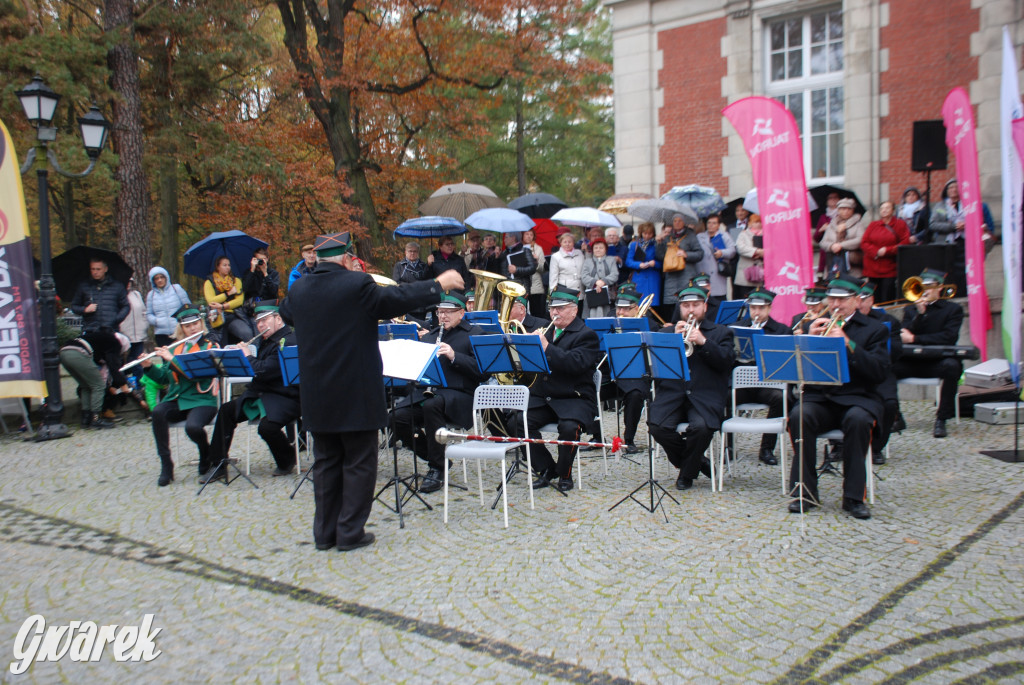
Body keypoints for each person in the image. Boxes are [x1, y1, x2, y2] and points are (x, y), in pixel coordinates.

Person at [280, 232, 463, 552]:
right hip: (355, 393)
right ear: (348, 259)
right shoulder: (357, 285)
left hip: (316, 395)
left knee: (326, 463)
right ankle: (349, 532)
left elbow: (285, 313)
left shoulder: (298, 289)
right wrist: (439, 284)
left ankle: (324, 534)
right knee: (359, 462)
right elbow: (398, 298)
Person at [787, 278, 890, 520]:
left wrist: (848, 343)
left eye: (842, 299)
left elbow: (878, 372)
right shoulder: (815, 324)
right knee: (799, 415)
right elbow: (797, 374)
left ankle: (853, 497)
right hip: (821, 399)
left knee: (858, 420)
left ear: (856, 300)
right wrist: (808, 342)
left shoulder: (874, 329)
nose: (835, 304)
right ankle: (805, 492)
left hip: (857, 398)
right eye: (831, 299)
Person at [389, 290, 486, 493]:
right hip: (428, 392)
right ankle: (438, 458)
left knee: (433, 405)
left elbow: (481, 372)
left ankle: (436, 469)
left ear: (461, 313)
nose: (442, 316)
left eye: (448, 312)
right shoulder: (430, 337)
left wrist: (454, 356)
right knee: (396, 417)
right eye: (440, 312)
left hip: (459, 396)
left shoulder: (475, 333)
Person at [648, 286, 735, 490]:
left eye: (695, 305)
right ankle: (698, 462)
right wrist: (672, 340)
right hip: (672, 394)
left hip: (705, 395)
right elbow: (655, 368)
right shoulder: (666, 332)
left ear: (705, 306)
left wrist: (704, 342)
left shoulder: (721, 332)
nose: (690, 310)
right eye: (686, 306)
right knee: (657, 427)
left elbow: (727, 362)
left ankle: (686, 474)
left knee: (702, 428)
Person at [205, 301, 301, 482]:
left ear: (278, 319)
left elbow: (264, 370)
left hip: (286, 396)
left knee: (267, 427)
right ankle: (217, 464)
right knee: (226, 411)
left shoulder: (288, 341)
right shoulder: (266, 341)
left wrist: (247, 356)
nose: (261, 325)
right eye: (258, 322)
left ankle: (287, 458)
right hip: (262, 394)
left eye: (265, 320)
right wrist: (238, 359)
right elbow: (257, 372)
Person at [522, 286, 602, 493]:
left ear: (574, 310)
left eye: (560, 308)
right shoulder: (546, 331)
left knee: (568, 428)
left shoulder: (586, 334)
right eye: (552, 309)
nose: (554, 313)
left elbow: (575, 364)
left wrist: (547, 347)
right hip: (545, 396)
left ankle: (565, 473)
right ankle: (547, 469)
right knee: (516, 421)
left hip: (573, 396)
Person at [140, 305, 220, 487]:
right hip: (178, 399)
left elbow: (196, 373)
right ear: (181, 329)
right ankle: (166, 464)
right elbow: (163, 379)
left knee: (193, 428)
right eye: (188, 325)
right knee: (159, 412)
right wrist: (147, 366)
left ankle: (204, 451)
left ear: (201, 324)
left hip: (202, 399)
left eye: (196, 323)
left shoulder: (209, 346)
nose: (193, 328)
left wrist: (170, 359)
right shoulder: (176, 348)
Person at [892, 269, 964, 438]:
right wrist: (920, 315)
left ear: (940, 288)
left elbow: (948, 337)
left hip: (937, 361)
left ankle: (942, 418)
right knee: (886, 367)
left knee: (952, 367)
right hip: (912, 361)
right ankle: (896, 416)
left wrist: (916, 338)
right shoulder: (911, 309)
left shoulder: (953, 309)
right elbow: (904, 334)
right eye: (922, 286)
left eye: (930, 287)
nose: (925, 291)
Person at [731, 287, 789, 465]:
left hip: (766, 385)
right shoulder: (736, 328)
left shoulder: (781, 331)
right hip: (742, 386)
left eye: (761, 308)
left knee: (779, 398)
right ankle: (729, 447)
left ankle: (766, 449)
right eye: (753, 308)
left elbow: (784, 364)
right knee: (722, 396)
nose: (756, 312)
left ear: (770, 308)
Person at [610, 284, 658, 454]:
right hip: (613, 372)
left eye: (626, 309)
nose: (620, 313)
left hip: (637, 375)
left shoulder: (649, 326)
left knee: (636, 394)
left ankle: (628, 438)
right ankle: (594, 434)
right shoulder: (610, 323)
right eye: (618, 309)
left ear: (637, 308)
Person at [857, 282, 902, 463]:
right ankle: (839, 446)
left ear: (871, 300)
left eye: (864, 300)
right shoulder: (839, 322)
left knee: (890, 403)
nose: (860, 305)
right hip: (853, 371)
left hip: (879, 370)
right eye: (857, 300)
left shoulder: (888, 321)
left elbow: (897, 352)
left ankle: (876, 447)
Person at [59, 329, 130, 429]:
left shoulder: (102, 337)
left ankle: (86, 419)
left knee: (86, 386)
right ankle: (95, 419)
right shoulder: (115, 342)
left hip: (64, 352)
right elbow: (113, 366)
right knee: (98, 385)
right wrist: (123, 383)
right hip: (79, 353)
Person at [860, 201, 911, 304]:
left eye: (887, 208)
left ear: (893, 210)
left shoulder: (900, 224)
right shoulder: (873, 225)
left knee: (887, 296)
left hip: (889, 268)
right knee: (874, 297)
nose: (884, 210)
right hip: (873, 266)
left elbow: (905, 242)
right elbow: (864, 242)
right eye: (882, 208)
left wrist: (888, 250)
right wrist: (876, 252)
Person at [656, 213, 703, 315]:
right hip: (671, 276)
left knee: (685, 301)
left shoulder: (691, 235)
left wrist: (686, 254)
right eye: (675, 221)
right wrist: (659, 243)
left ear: (684, 222)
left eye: (679, 221)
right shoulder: (668, 237)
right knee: (671, 306)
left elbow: (700, 254)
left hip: (686, 274)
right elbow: (660, 256)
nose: (677, 223)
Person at [69, 258, 130, 333]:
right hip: (90, 329)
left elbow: (126, 306)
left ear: (105, 269)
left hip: (110, 330)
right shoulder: (84, 286)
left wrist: (116, 319)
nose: (95, 272)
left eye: (98, 269)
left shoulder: (117, 286)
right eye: (93, 269)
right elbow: (74, 306)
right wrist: (85, 309)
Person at [204, 256, 253, 344]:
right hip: (216, 318)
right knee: (220, 342)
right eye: (224, 265)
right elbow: (211, 301)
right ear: (218, 267)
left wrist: (223, 306)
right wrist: (228, 294)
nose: (228, 267)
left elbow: (239, 301)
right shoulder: (209, 282)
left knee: (247, 333)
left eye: (229, 265)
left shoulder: (235, 281)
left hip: (233, 315)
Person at [694, 214, 736, 314]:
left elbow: (732, 251)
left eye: (714, 223)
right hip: (703, 272)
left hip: (718, 273)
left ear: (718, 225)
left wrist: (722, 253)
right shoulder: (700, 236)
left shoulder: (724, 236)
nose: (711, 225)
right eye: (709, 223)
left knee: (718, 301)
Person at [820, 198, 864, 280]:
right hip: (833, 263)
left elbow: (860, 240)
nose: (846, 211)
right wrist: (832, 246)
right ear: (838, 210)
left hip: (852, 264)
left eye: (849, 209)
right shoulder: (831, 225)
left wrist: (841, 245)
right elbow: (823, 242)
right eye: (843, 209)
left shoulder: (858, 224)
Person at [146, 267, 190, 347]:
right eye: (156, 278)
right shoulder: (151, 295)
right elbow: (149, 314)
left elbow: (187, 307)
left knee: (180, 356)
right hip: (161, 334)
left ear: (166, 277)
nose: (159, 280)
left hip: (179, 330)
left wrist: (181, 320)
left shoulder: (176, 289)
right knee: (166, 357)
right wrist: (157, 321)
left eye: (161, 277)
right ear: (153, 281)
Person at [624, 222, 662, 306]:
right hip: (639, 278)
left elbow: (662, 262)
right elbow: (628, 261)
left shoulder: (656, 244)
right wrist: (638, 265)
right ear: (641, 233)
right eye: (645, 233)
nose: (647, 236)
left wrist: (654, 263)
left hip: (652, 278)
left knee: (651, 304)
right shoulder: (635, 245)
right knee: (638, 303)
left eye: (650, 234)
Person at [119, 277, 148, 381]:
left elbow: (144, 311)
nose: (127, 284)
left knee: (138, 361)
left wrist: (145, 324)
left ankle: (139, 385)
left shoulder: (136, 294)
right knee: (124, 362)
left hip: (139, 334)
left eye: (129, 282)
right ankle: (123, 385)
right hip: (124, 334)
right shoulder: (118, 296)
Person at [393, 241, 431, 320]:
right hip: (405, 302)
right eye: (410, 251)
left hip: (420, 303)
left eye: (415, 251)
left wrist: (429, 265)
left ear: (418, 252)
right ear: (405, 252)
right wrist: (410, 287)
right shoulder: (399, 266)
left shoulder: (423, 266)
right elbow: (396, 282)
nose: (412, 253)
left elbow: (427, 282)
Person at [581, 238, 619, 317]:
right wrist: (595, 282)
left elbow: (614, 274)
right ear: (592, 250)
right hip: (592, 294)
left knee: (607, 316)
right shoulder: (587, 261)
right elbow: (584, 276)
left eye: (601, 248)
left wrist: (603, 282)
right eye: (596, 248)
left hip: (608, 294)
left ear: (605, 249)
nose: (598, 250)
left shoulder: (611, 260)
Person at [734, 213, 766, 300]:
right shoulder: (743, 234)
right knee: (745, 298)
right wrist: (756, 251)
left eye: (760, 222)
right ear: (750, 223)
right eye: (756, 222)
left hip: (760, 273)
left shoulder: (766, 235)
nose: (758, 224)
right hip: (746, 273)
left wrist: (764, 253)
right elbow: (740, 247)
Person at [522, 228, 548, 318]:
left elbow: (543, 269)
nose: (529, 236)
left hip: (535, 285)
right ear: (522, 235)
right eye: (527, 234)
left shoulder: (538, 249)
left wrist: (536, 262)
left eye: (531, 234)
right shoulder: (518, 248)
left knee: (537, 313)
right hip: (522, 284)